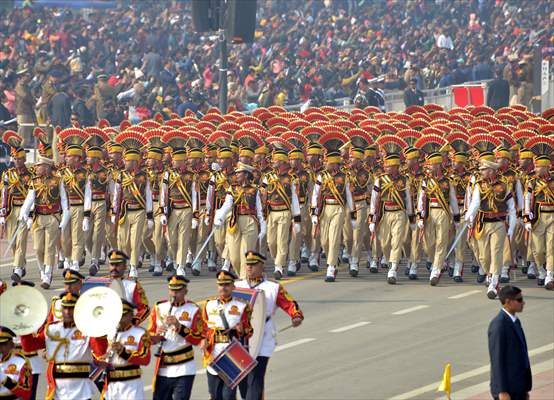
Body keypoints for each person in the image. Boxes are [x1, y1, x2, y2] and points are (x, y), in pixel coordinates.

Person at [236, 251, 303, 400]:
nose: (249, 267)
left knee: (256, 377)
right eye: (248, 264)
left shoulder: (272, 287)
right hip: (239, 337)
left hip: (262, 334)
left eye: (253, 264)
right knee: (242, 379)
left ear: (262, 266)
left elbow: (290, 303)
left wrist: (296, 315)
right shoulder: (236, 285)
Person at [20, 293, 109, 400]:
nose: (67, 312)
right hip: (57, 391)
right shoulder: (51, 329)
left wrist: (99, 330)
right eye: (65, 308)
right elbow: (29, 346)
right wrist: (23, 328)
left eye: (71, 308)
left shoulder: (87, 328)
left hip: (81, 390)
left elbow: (100, 351)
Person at [148, 275, 203, 400]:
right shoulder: (159, 307)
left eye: (178, 290)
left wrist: (179, 326)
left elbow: (198, 338)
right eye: (172, 290)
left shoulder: (193, 309)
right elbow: (148, 337)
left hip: (184, 368)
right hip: (163, 368)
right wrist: (156, 334)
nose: (174, 293)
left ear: (185, 291)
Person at [18, 156, 70, 289]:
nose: (36, 168)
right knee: (37, 248)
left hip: (53, 216)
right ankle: (42, 269)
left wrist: (65, 217)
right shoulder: (34, 181)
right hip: (38, 218)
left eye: (39, 165)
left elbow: (64, 200)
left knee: (49, 247)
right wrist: (23, 213)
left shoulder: (58, 181)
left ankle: (47, 274)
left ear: (46, 167)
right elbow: (30, 199)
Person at [202, 271, 253, 400]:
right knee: (215, 395)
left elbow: (249, 331)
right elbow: (202, 329)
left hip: (232, 355)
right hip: (212, 355)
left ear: (233, 287)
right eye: (221, 284)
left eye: (227, 284)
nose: (223, 287)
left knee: (228, 395)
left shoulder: (242, 306)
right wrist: (203, 340)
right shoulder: (209, 305)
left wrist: (241, 330)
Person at [488, 285, 532, 400]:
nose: (523, 303)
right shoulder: (499, 325)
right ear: (508, 302)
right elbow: (497, 360)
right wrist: (502, 391)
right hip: (508, 390)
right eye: (519, 300)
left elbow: (522, 355)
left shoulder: (515, 321)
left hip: (519, 387)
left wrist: (525, 388)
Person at [101, 299, 151, 400]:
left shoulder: (140, 333)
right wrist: (102, 357)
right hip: (111, 383)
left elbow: (145, 358)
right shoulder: (108, 332)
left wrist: (123, 351)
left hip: (131, 384)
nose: (120, 319)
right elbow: (97, 352)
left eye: (123, 315)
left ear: (131, 315)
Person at [1, 132, 32, 282]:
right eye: (14, 158)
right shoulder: (8, 174)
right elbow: (4, 194)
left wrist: (30, 212)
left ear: (24, 159)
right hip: (12, 211)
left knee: (21, 240)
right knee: (12, 241)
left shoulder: (30, 174)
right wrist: (2, 215)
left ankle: (17, 268)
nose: (17, 161)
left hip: (24, 210)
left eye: (19, 158)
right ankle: (21, 264)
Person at [0, 326, 33, 400]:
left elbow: (26, 392)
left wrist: (5, 380)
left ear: (11, 344)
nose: (1, 347)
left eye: (4, 344)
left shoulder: (21, 362)